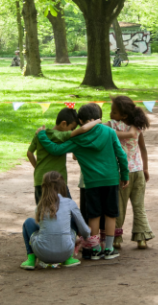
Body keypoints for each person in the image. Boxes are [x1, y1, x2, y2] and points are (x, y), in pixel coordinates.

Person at [37, 103, 129, 260]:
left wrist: (42, 135)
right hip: (111, 179)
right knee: (111, 214)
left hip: (92, 182)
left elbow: (55, 150)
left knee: (94, 215)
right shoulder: (109, 132)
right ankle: (108, 248)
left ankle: (93, 250)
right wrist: (124, 175)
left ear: (81, 121)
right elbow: (121, 154)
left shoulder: (78, 139)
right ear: (96, 118)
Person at [107, 96, 154, 250]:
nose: (110, 114)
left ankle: (116, 239)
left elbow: (101, 130)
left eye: (114, 112)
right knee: (139, 205)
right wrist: (145, 168)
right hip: (138, 171)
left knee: (119, 206)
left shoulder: (112, 126)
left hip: (122, 173)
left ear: (123, 115)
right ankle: (142, 238)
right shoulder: (137, 127)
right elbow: (143, 149)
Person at [27, 108, 101, 204]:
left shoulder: (41, 133)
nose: (72, 131)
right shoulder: (62, 136)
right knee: (66, 209)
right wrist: (97, 121)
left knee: (43, 212)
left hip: (40, 180)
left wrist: (38, 168)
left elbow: (29, 153)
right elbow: (82, 129)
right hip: (57, 181)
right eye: (72, 128)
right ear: (63, 124)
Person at [20, 171, 91, 270]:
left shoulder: (40, 206)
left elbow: (46, 229)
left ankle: (31, 259)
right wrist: (86, 236)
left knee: (28, 222)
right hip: (66, 251)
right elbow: (84, 230)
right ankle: (69, 259)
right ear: (62, 186)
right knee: (73, 220)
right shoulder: (69, 203)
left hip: (42, 254)